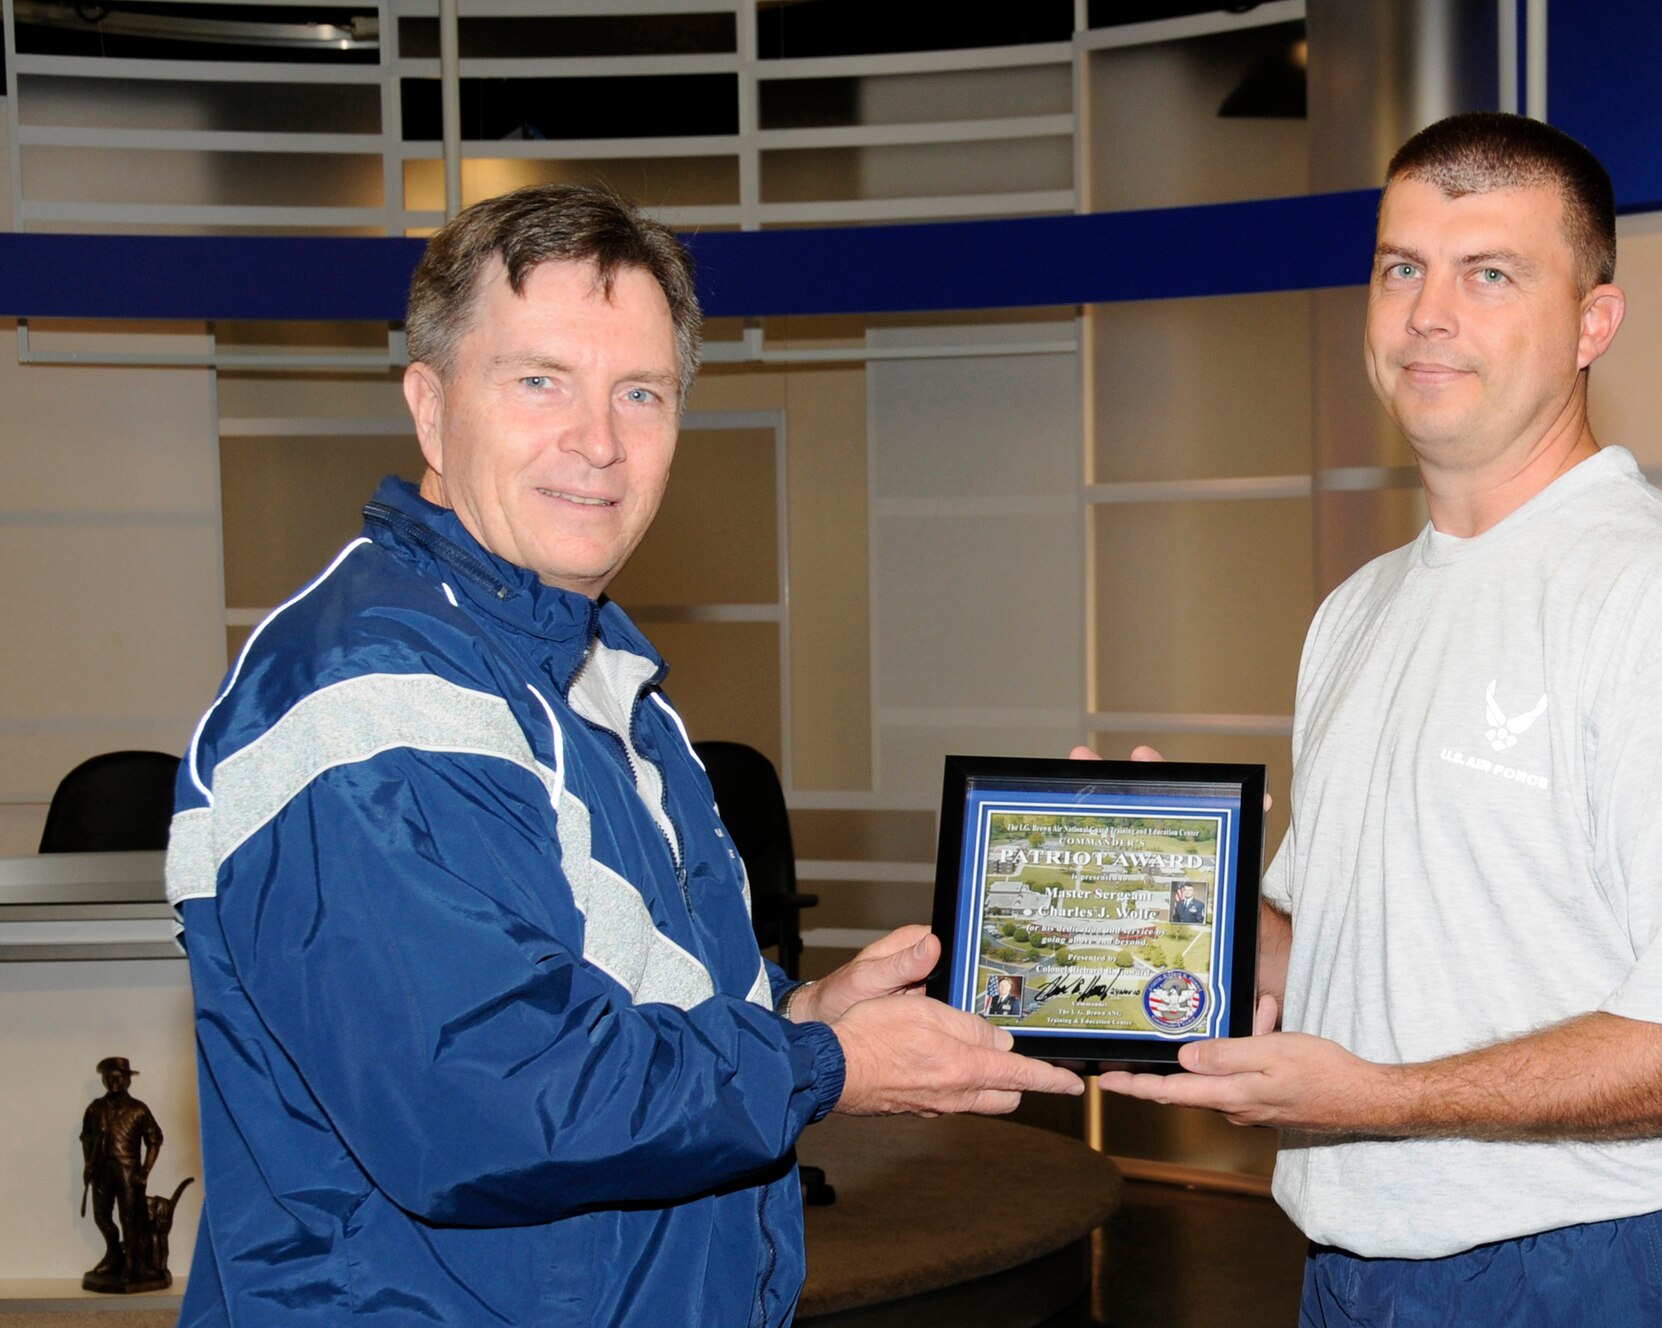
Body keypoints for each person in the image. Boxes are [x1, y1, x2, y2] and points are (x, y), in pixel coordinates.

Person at [166, 183, 1080, 1327]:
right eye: (539, 378)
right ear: (431, 403)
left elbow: (621, 1002)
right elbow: (487, 1100)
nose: (598, 441)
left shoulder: (599, 681)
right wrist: (823, 1066)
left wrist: (801, 1018)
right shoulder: (370, 695)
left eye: (638, 392)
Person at [1092, 113, 1662, 1325]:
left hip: (1607, 1266)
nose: (1426, 312)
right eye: (1399, 267)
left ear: (1592, 322)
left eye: (1488, 272)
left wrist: (1372, 1096)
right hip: (1360, 1263)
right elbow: (1339, 947)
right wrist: (1168, 888)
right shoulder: (1358, 610)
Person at [80, 1057, 166, 1292]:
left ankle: (131, 1263)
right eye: (108, 1077)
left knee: (130, 1219)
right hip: (101, 1172)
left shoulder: (138, 1109)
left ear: (128, 1080)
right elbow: (86, 1138)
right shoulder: (95, 1108)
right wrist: (88, 1164)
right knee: (101, 1217)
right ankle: (114, 1255)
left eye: (118, 1077)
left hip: (128, 1173)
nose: (112, 1081)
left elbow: (154, 1140)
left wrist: (145, 1171)